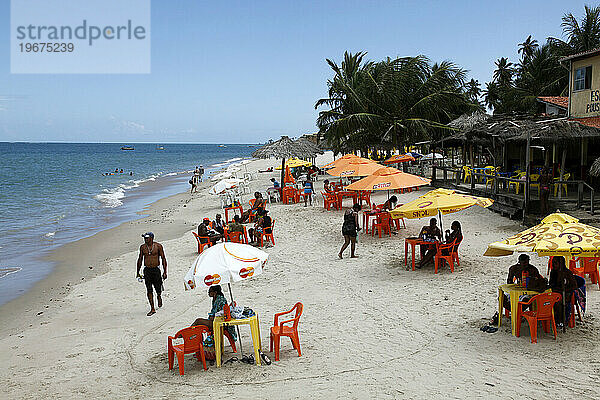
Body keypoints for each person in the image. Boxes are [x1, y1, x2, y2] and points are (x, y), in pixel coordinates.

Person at [136, 232, 167, 316]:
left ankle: (159, 295)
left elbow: (163, 258)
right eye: (144, 238)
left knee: (158, 287)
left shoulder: (158, 246)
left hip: (156, 269)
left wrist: (165, 271)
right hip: (147, 270)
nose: (145, 240)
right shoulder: (142, 247)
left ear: (152, 238)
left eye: (147, 238)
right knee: (149, 289)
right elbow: (140, 259)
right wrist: (137, 271)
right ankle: (152, 308)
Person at [549, 255, 578, 327]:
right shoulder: (553, 272)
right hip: (555, 292)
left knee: (558, 302)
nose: (553, 265)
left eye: (555, 263)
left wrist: (564, 289)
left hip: (566, 294)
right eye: (552, 263)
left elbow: (574, 286)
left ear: (561, 264)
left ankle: (560, 320)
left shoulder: (568, 273)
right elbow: (551, 284)